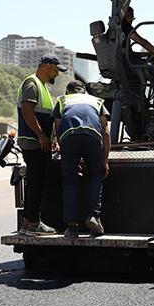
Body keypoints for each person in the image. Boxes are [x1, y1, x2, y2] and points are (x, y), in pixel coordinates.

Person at [52, 80, 111, 238]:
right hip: (93, 137)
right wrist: (105, 161)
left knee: (70, 181)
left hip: (69, 136)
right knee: (96, 175)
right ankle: (93, 216)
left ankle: (71, 227)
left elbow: (58, 128)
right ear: (84, 92)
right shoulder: (97, 101)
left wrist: (68, 156)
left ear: (68, 92)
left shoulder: (62, 100)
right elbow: (106, 131)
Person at [17, 53, 66, 235]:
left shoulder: (41, 86)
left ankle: (27, 223)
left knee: (33, 181)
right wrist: (41, 135)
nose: (57, 74)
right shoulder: (32, 84)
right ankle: (34, 224)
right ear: (47, 66)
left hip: (38, 142)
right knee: (37, 182)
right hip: (34, 142)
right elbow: (27, 111)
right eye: (56, 70)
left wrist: (50, 139)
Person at [122, 6, 154, 104]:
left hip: (124, 60)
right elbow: (142, 42)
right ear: (128, 16)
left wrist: (146, 54)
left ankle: (145, 101)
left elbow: (127, 53)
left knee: (148, 67)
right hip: (125, 63)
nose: (132, 21)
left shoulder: (115, 28)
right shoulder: (124, 25)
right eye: (132, 18)